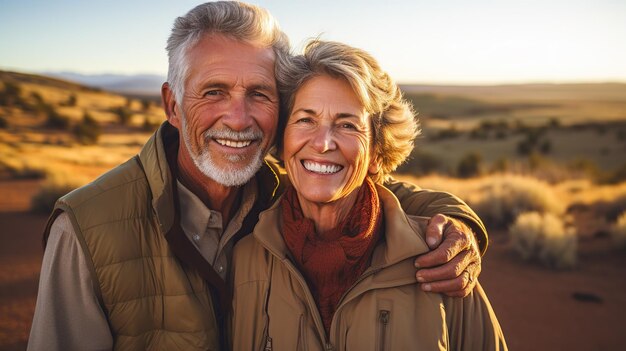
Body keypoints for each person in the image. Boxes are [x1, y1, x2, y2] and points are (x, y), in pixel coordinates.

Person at [28, 2, 487, 351]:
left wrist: (458, 222)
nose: (239, 118)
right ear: (172, 105)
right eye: (214, 91)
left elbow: (367, 188)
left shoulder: (280, 191)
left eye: (259, 94)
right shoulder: (86, 228)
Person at [230, 40, 506, 350]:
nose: (322, 143)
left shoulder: (439, 262)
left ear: (377, 151)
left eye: (347, 125)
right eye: (306, 119)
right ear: (282, 138)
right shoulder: (248, 259)